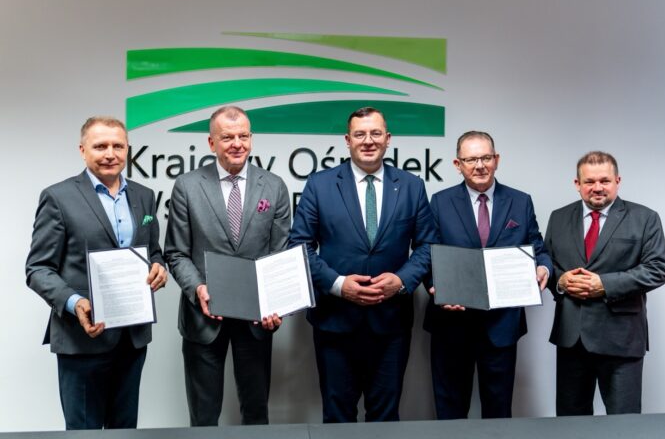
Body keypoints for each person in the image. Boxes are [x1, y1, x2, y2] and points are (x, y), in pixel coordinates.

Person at [289, 106, 438, 423]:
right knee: (337, 418)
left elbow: (428, 245)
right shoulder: (320, 185)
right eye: (360, 134)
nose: (368, 141)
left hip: (391, 323)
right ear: (348, 140)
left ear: (388, 138)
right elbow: (299, 246)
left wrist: (402, 280)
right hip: (335, 321)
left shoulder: (411, 186)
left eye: (375, 133)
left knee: (385, 418)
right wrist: (338, 284)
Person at [25, 116, 167, 430]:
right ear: (82, 150)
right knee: (84, 433)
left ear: (127, 149)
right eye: (100, 146)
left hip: (132, 338)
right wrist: (75, 302)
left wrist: (159, 267)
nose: (110, 154)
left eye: (118, 146)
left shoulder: (144, 195)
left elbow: (152, 250)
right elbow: (38, 269)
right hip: (81, 338)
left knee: (124, 430)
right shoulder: (58, 197)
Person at [164, 105, 290, 426]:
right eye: (227, 137)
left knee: (256, 414)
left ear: (251, 138)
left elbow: (279, 254)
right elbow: (176, 253)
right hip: (203, 318)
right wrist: (198, 288)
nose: (237, 144)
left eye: (243, 136)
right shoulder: (187, 186)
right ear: (211, 143)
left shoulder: (274, 186)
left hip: (256, 321)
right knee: (203, 419)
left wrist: (275, 302)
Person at [424, 131, 551, 419]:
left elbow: (537, 248)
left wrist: (543, 267)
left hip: (501, 326)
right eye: (471, 159)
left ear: (497, 159)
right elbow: (428, 254)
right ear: (458, 164)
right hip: (451, 323)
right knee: (450, 413)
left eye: (485, 158)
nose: (479, 165)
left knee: (498, 413)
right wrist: (435, 286)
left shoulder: (520, 201)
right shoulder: (440, 202)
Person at [545, 151, 665, 415]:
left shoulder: (645, 218)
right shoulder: (558, 217)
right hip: (572, 339)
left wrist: (604, 284)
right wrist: (561, 281)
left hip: (621, 339)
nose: (597, 187)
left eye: (605, 180)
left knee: (624, 424)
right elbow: (546, 265)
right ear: (577, 184)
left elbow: (658, 269)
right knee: (570, 425)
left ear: (617, 181)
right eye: (589, 181)